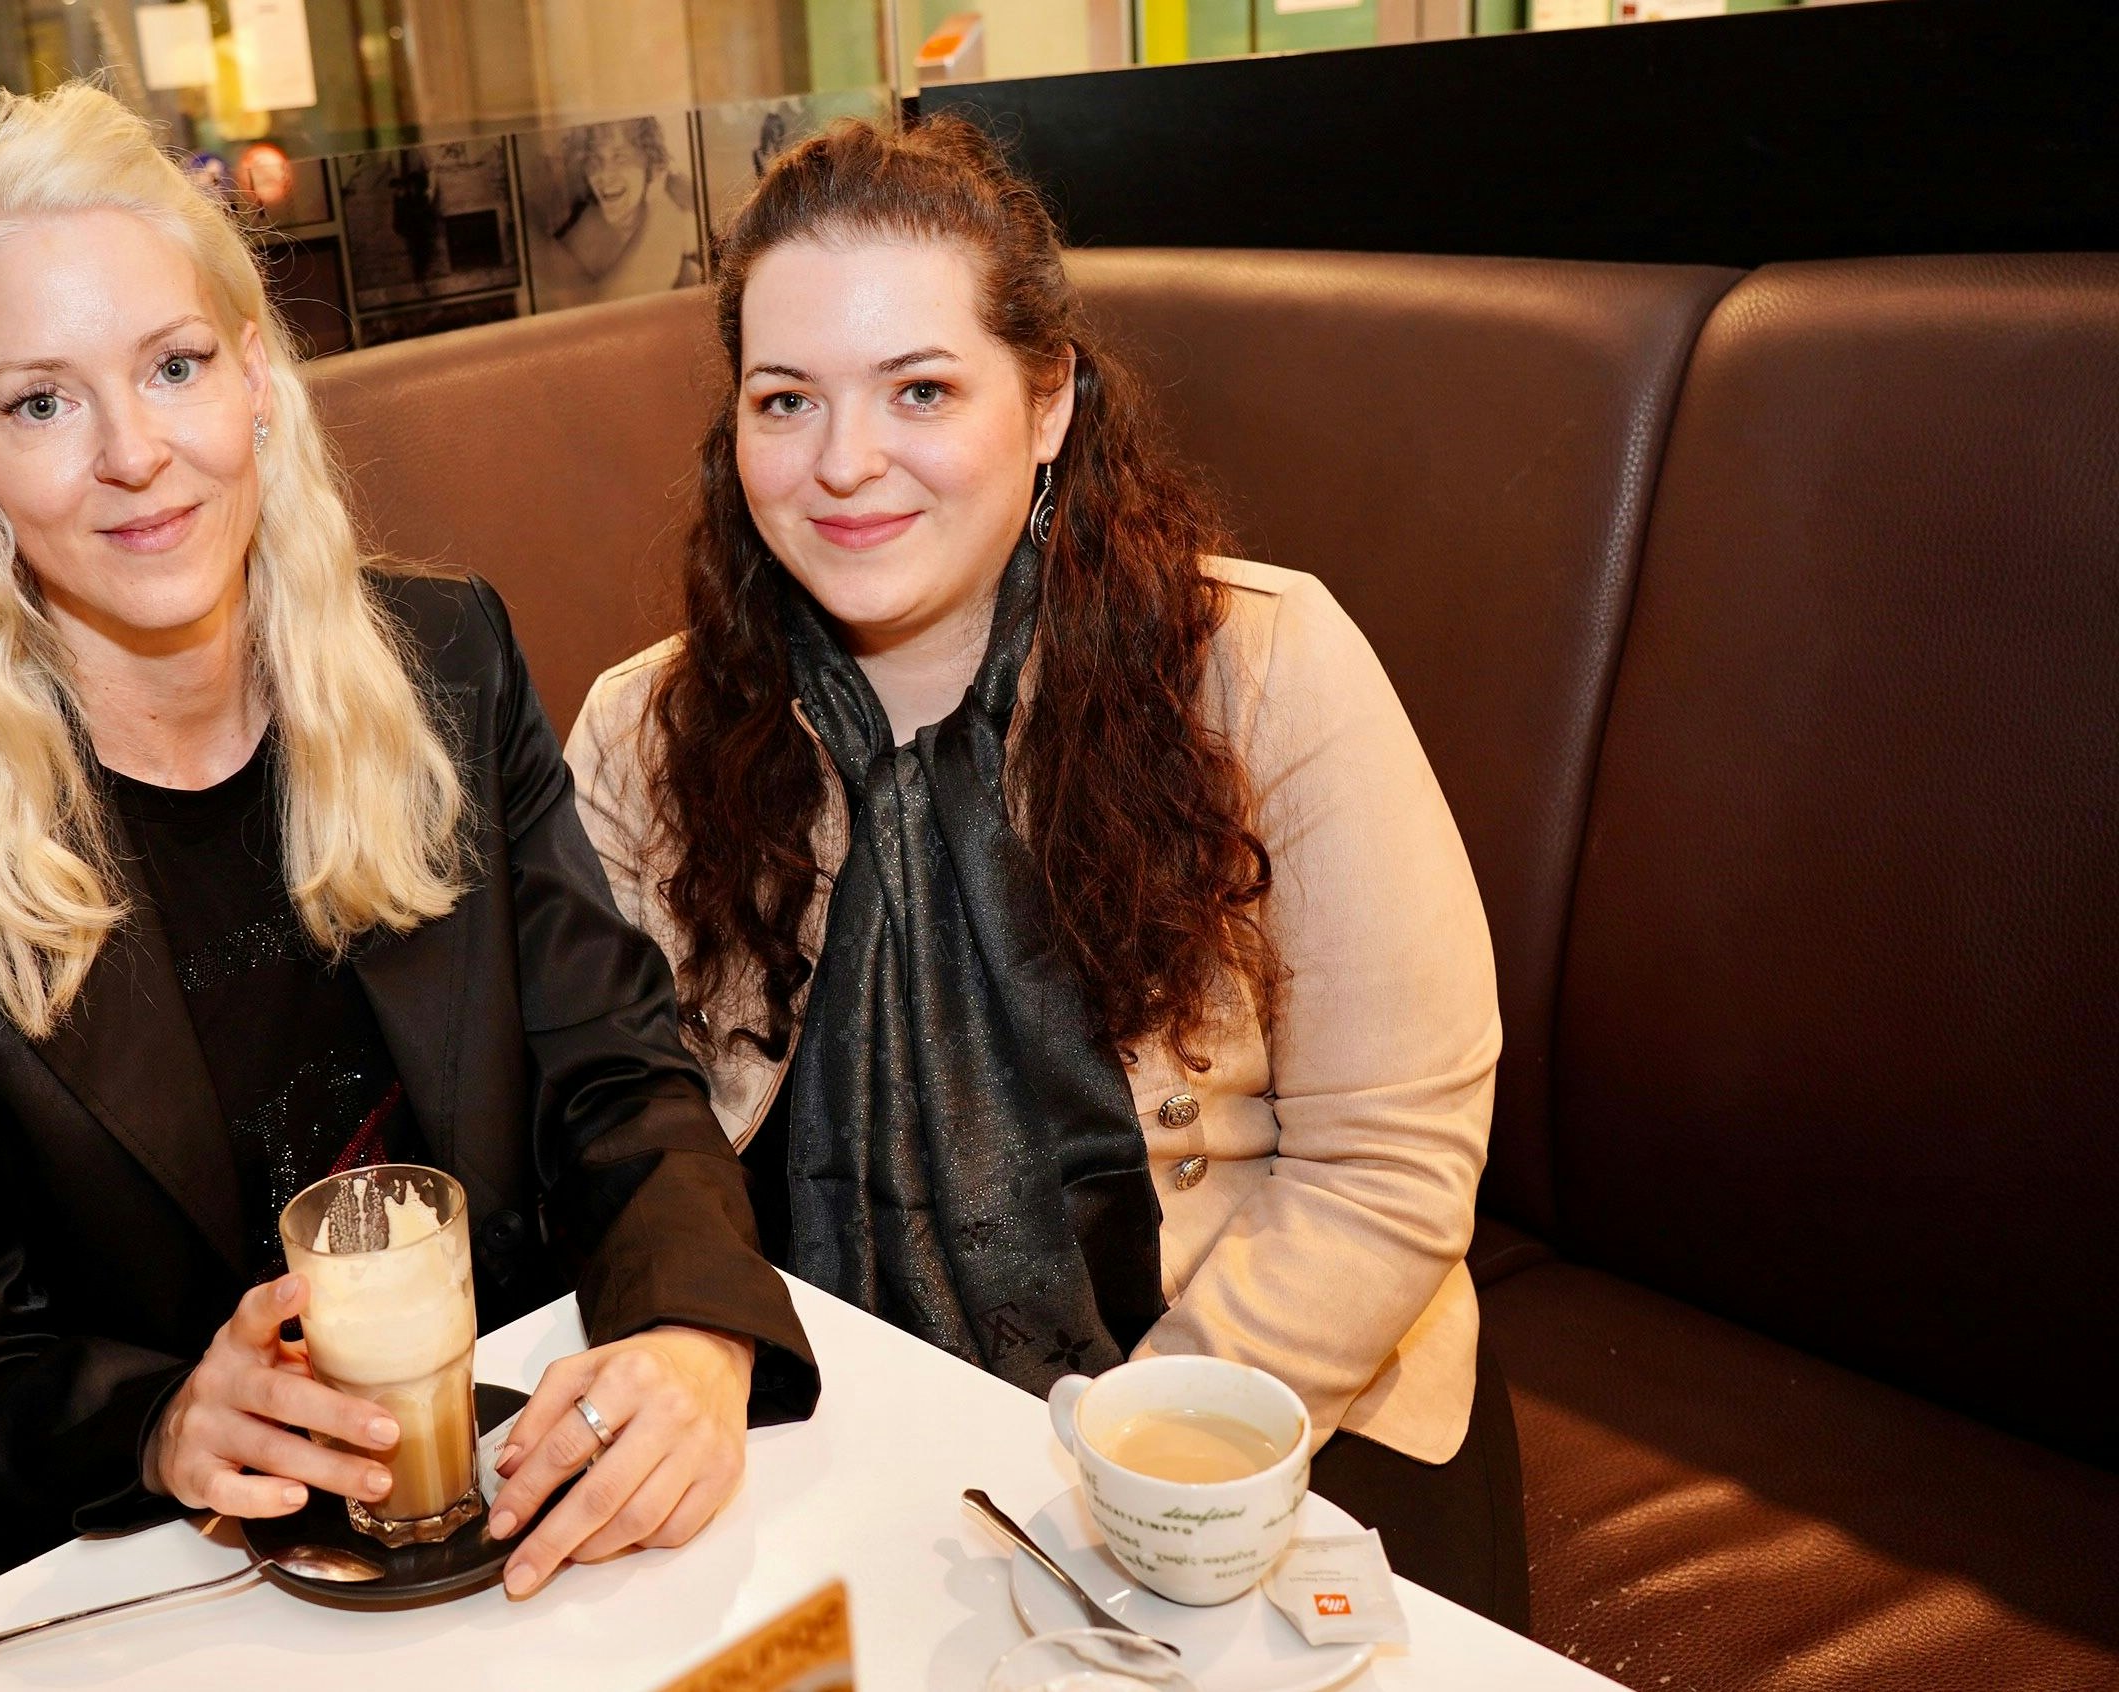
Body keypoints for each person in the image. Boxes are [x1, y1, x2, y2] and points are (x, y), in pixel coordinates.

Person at [0, 81, 815, 1635]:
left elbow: (616, 1073)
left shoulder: (447, 666)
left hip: (498, 1506)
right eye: (41, 402)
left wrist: (688, 1332)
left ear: (254, 378)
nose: (135, 453)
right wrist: (158, 1420)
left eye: (175, 366)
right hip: (155, 1585)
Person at [564, 117, 1529, 1627]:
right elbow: (606, 1122)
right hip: (835, 1440)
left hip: (1262, 1434)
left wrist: (1125, 1472)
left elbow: (1390, 1167)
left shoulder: (1266, 669)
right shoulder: (643, 731)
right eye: (785, 399)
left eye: (922, 389)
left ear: (1049, 398)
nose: (844, 462)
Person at [530, 118, 699, 309]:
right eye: (594, 160)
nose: (604, 175)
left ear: (652, 167)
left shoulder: (679, 219)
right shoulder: (586, 229)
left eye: (620, 158)